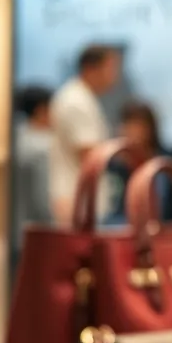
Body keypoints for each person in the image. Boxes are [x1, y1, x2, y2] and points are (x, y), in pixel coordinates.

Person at [48, 44, 119, 226]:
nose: (114, 76)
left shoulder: (81, 97)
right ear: (90, 68)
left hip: (81, 202)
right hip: (77, 202)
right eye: (110, 68)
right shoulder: (77, 101)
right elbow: (90, 157)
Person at [103, 100, 172, 225]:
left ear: (150, 128)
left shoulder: (166, 162)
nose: (133, 131)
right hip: (123, 229)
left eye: (138, 125)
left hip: (162, 229)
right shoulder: (116, 165)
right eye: (128, 125)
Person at [13, 85, 52, 253]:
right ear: (42, 110)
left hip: (11, 230)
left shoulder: (15, 138)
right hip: (35, 237)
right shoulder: (44, 147)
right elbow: (42, 201)